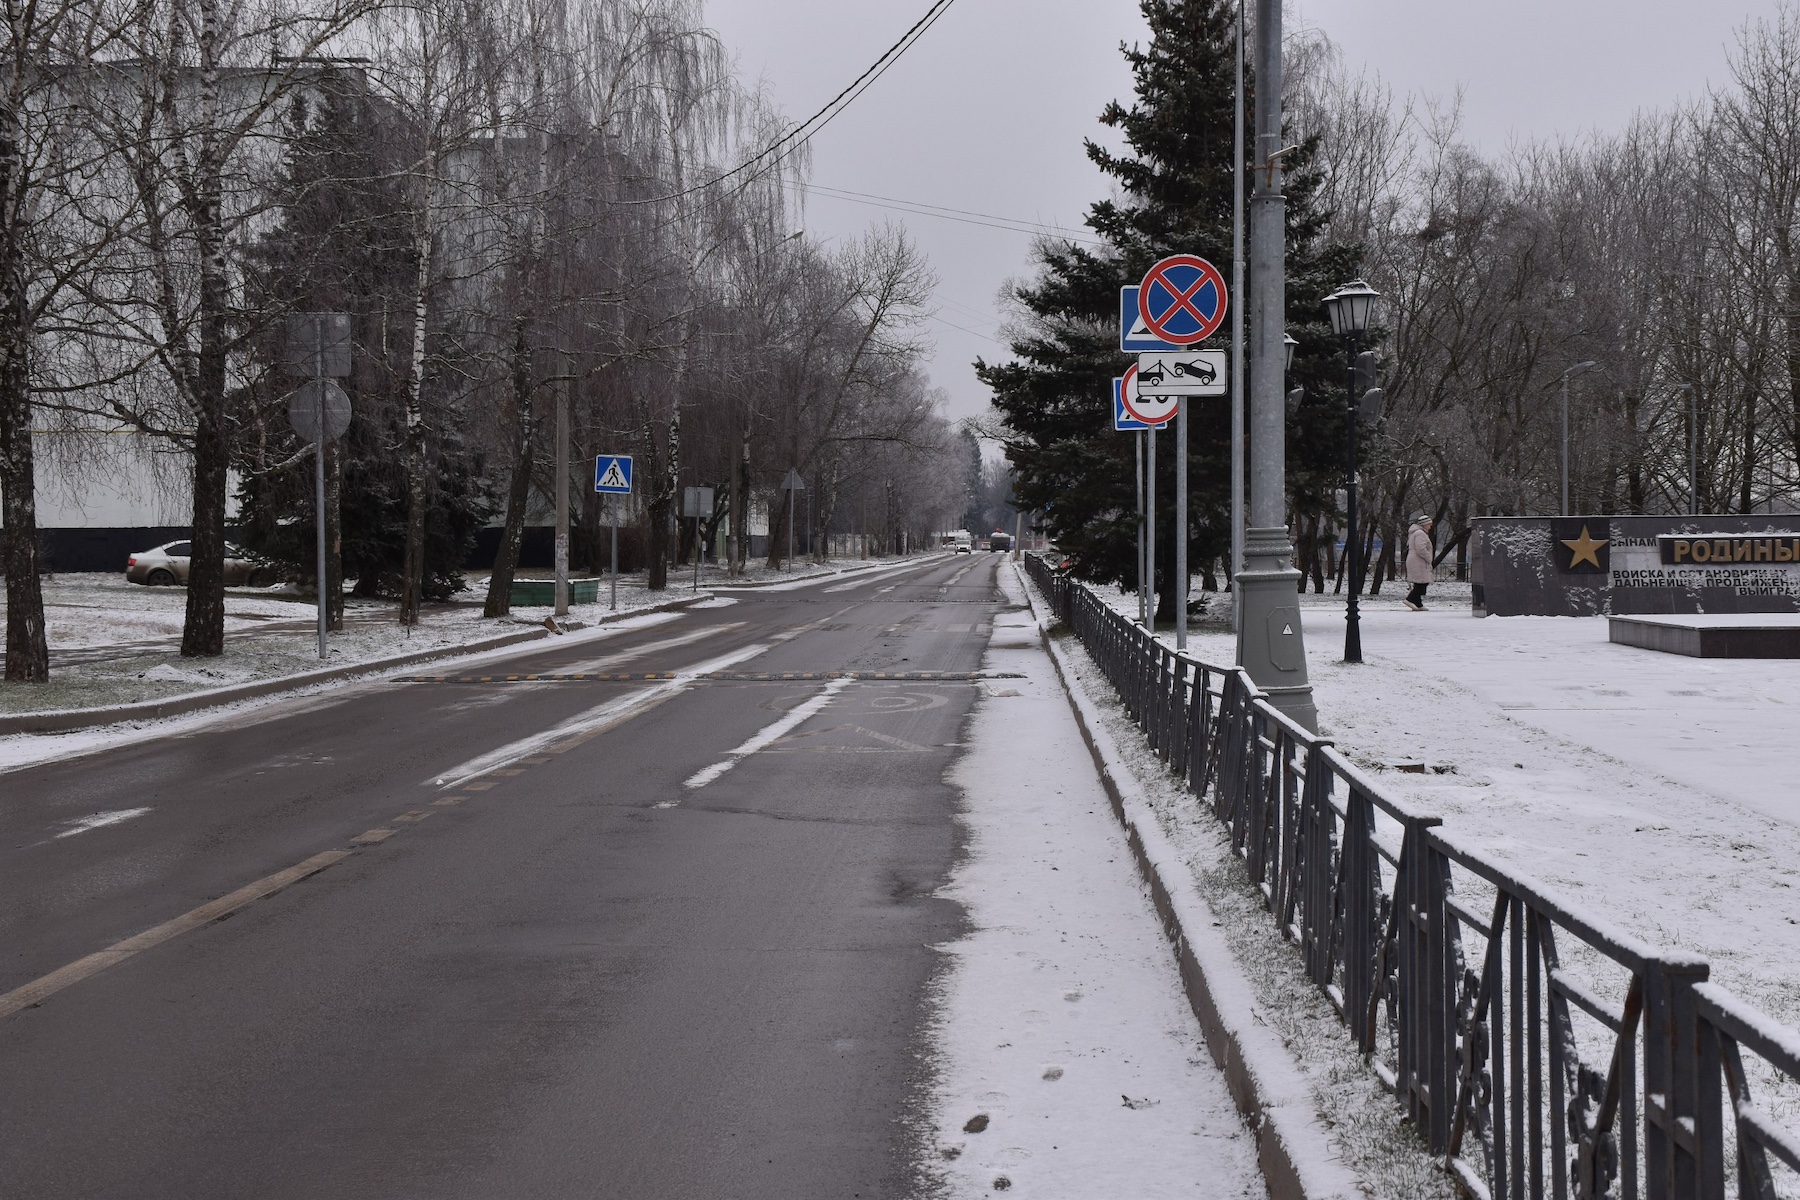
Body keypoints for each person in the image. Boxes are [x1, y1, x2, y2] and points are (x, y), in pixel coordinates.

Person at [1404, 511, 1435, 611]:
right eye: (1429, 524)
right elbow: (1420, 548)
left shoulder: (1416, 533)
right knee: (1422, 582)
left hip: (1416, 560)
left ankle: (1418, 603)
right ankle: (1410, 599)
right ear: (1424, 524)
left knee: (1420, 582)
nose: (1430, 526)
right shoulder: (1420, 533)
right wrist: (1428, 557)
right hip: (1419, 560)